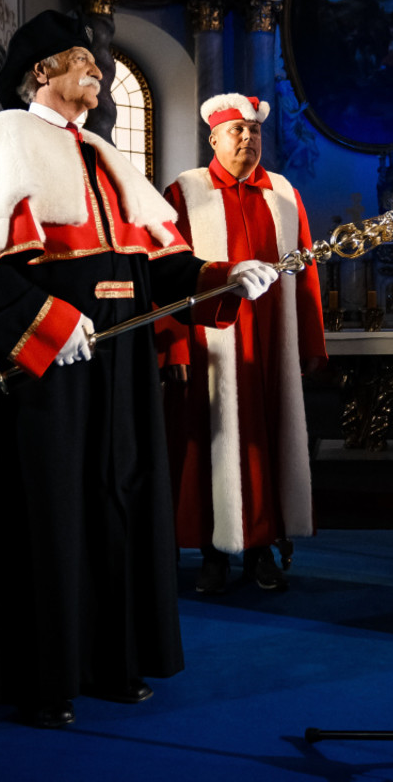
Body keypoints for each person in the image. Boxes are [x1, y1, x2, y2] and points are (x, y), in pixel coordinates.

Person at [0, 10, 278, 728]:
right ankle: (44, 679)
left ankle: (113, 659)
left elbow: (156, 264)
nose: (97, 69)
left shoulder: (108, 155)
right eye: (81, 59)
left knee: (122, 503)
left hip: (120, 371)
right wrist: (49, 324)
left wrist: (221, 277)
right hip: (43, 379)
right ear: (41, 71)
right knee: (48, 516)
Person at [157, 93, 327, 594]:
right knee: (209, 444)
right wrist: (173, 346)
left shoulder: (283, 194)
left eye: (254, 131)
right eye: (237, 131)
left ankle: (260, 550)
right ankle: (213, 554)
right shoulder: (185, 192)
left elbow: (305, 272)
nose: (248, 139)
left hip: (271, 345)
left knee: (268, 444)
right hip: (208, 346)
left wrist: (310, 341)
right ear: (213, 138)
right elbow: (164, 274)